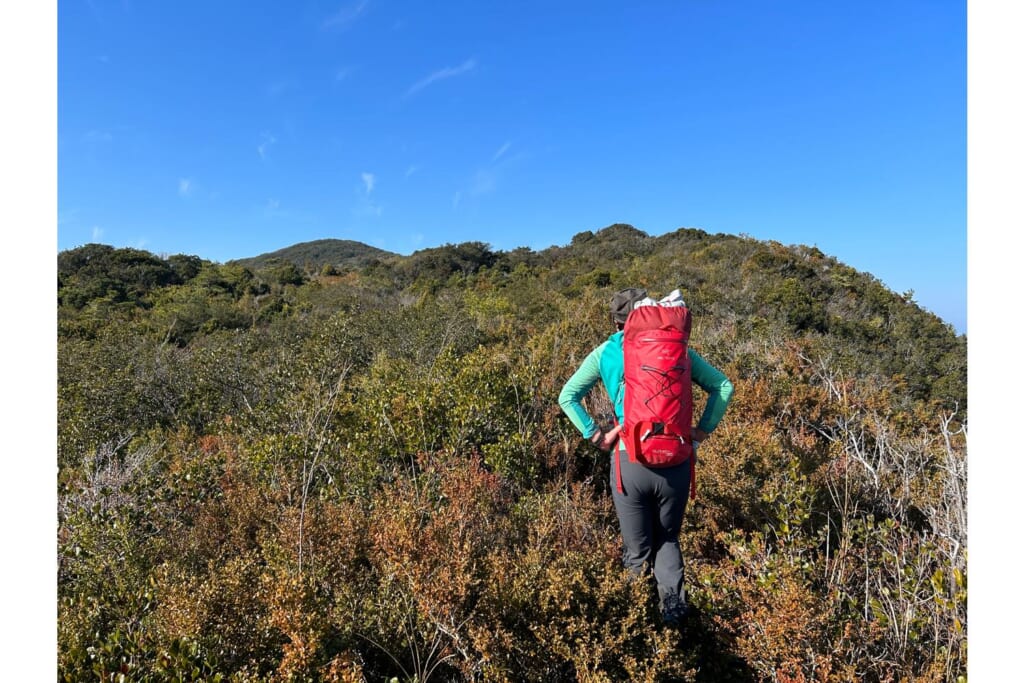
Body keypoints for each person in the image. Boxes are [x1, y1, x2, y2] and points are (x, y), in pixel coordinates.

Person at [558, 287, 733, 625]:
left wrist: (596, 435)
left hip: (629, 462)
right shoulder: (676, 348)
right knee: (667, 539)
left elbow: (568, 396)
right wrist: (701, 431)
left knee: (637, 554)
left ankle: (634, 628)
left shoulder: (605, 352)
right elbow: (723, 387)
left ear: (615, 320)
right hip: (677, 462)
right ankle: (675, 617)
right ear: (647, 315)